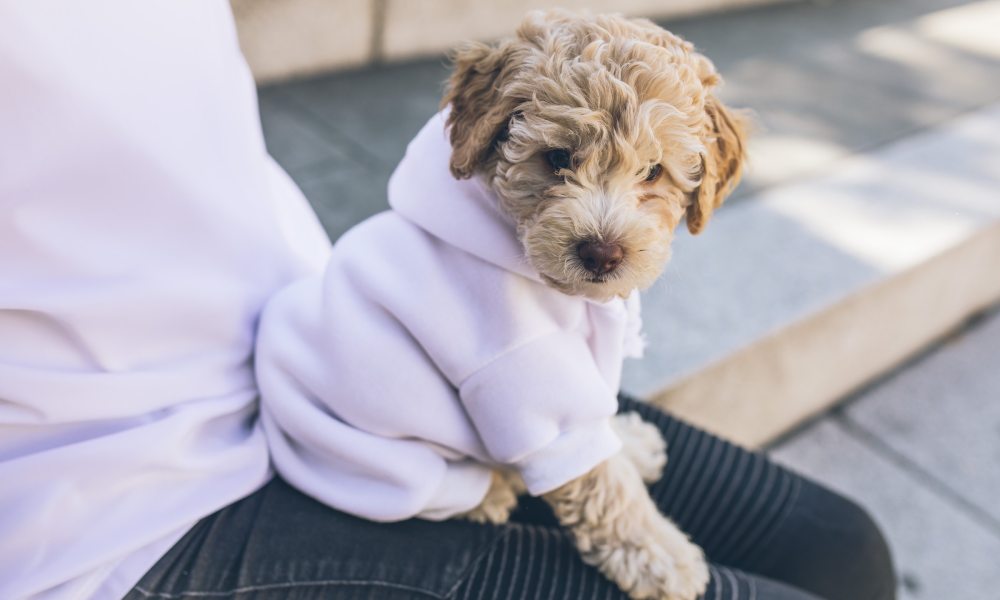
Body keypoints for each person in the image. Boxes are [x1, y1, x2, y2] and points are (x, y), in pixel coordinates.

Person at [0, 3, 896, 599]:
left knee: (843, 547)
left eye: (655, 177)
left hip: (333, 345)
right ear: (486, 131)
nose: (605, 222)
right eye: (559, 159)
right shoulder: (486, 283)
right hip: (121, 502)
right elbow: (548, 427)